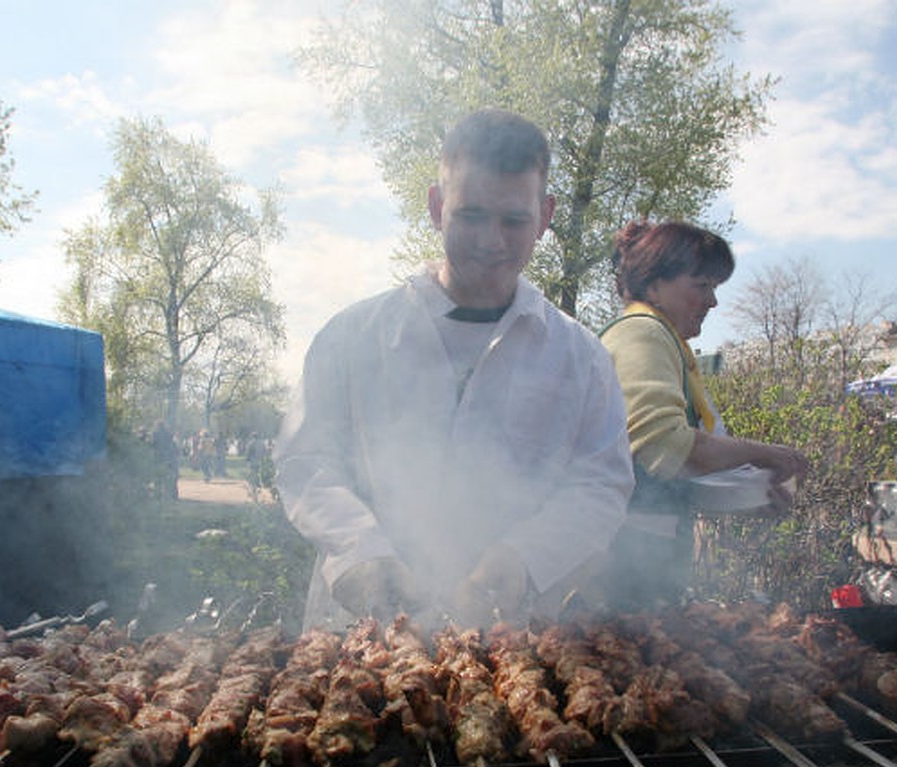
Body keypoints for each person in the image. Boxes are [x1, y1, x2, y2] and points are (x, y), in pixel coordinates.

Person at [274, 108, 634, 632]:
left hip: (507, 641)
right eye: (471, 215)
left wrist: (526, 556)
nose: (492, 240)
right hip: (358, 636)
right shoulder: (351, 337)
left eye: (514, 221)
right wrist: (360, 552)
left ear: (547, 215)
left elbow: (600, 482)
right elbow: (306, 461)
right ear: (436, 206)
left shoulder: (581, 358)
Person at [595, 220, 809, 609]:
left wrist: (749, 499)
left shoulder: (666, 342)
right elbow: (664, 447)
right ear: (655, 283)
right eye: (702, 286)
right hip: (617, 576)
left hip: (645, 567)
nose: (713, 302)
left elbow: (658, 474)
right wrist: (765, 453)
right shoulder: (642, 333)